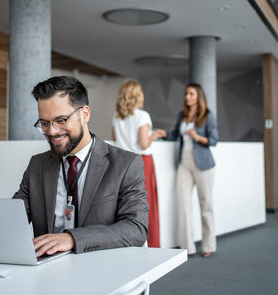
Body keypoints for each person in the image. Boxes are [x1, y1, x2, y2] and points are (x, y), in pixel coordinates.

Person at [13, 76, 149, 256]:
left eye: (61, 120)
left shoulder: (126, 164)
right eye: (45, 123)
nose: (52, 131)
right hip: (47, 273)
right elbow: (13, 217)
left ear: (85, 114)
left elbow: (135, 228)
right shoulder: (37, 165)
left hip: (101, 273)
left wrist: (73, 238)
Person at [163, 83, 219, 257]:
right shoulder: (183, 115)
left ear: (198, 97)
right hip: (184, 163)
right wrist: (162, 134)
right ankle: (188, 247)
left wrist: (197, 137)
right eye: (186, 94)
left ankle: (208, 245)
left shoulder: (208, 116)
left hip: (203, 164)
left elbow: (214, 139)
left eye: (191, 94)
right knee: (184, 205)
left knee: (205, 204)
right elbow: (175, 135)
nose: (187, 97)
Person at [111, 80, 166, 247]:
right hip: (142, 162)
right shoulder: (142, 116)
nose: (143, 94)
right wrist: (154, 135)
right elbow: (143, 144)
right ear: (136, 95)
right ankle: (153, 246)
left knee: (126, 206)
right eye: (141, 91)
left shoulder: (116, 115)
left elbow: (115, 138)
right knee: (147, 205)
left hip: (122, 162)